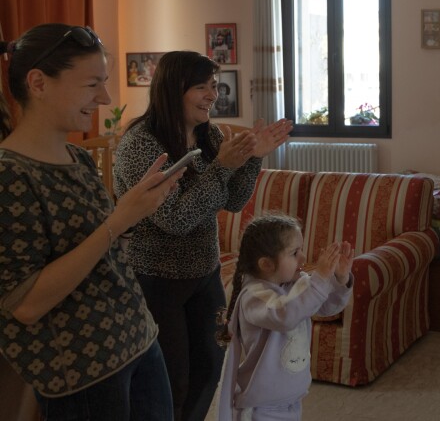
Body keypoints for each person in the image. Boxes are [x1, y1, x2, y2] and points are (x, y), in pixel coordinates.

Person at [0, 24, 187, 420]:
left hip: (138, 341)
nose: (104, 98)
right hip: (83, 373)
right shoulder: (9, 174)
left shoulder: (80, 158)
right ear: (38, 83)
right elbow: (26, 304)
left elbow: (101, 252)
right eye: (91, 84)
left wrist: (137, 212)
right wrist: (119, 220)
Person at [112, 51, 292, 421]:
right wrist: (222, 166)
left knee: (210, 367)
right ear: (172, 89)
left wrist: (252, 158)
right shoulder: (141, 144)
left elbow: (233, 201)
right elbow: (176, 218)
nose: (213, 95)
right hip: (157, 279)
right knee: (172, 381)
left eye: (213, 85)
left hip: (204, 272)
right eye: (201, 87)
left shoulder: (208, 134)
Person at [216, 214, 353, 421]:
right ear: (267, 264)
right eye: (294, 253)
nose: (303, 258)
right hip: (260, 409)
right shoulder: (253, 297)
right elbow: (285, 315)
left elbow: (326, 306)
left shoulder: (294, 283)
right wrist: (319, 280)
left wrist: (339, 279)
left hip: (291, 402)